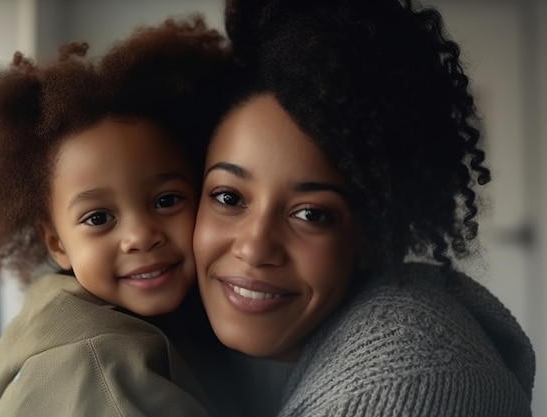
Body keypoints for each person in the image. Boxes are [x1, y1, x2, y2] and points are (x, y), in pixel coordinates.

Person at [192, 0, 536, 415]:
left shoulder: (407, 388)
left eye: (311, 214)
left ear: (368, 235)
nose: (255, 246)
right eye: (228, 198)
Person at [0, 16, 238, 417]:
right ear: (57, 244)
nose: (140, 235)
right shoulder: (105, 368)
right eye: (99, 218)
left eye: (167, 201)